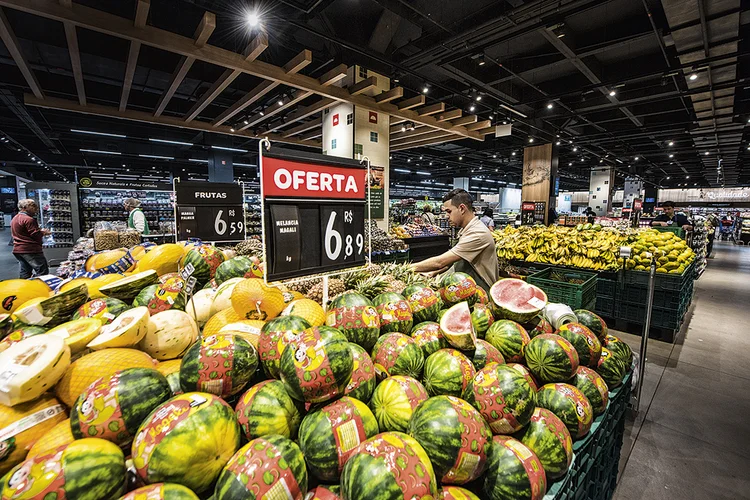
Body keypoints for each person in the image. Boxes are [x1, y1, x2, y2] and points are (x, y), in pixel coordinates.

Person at [410, 188, 499, 293]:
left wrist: (407, 267)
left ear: (462, 208)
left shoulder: (477, 233)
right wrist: (433, 273)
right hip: (467, 286)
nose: (447, 216)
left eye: (449, 211)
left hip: (480, 292)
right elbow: (454, 261)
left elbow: (440, 262)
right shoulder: (466, 229)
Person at [11, 199, 50, 278]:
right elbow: (35, 234)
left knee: (25, 271)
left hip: (19, 249)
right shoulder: (29, 219)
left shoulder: (15, 218)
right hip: (30, 249)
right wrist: (44, 232)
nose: (36, 208)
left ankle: (25, 288)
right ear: (25, 207)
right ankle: (40, 288)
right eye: (33, 206)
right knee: (42, 270)